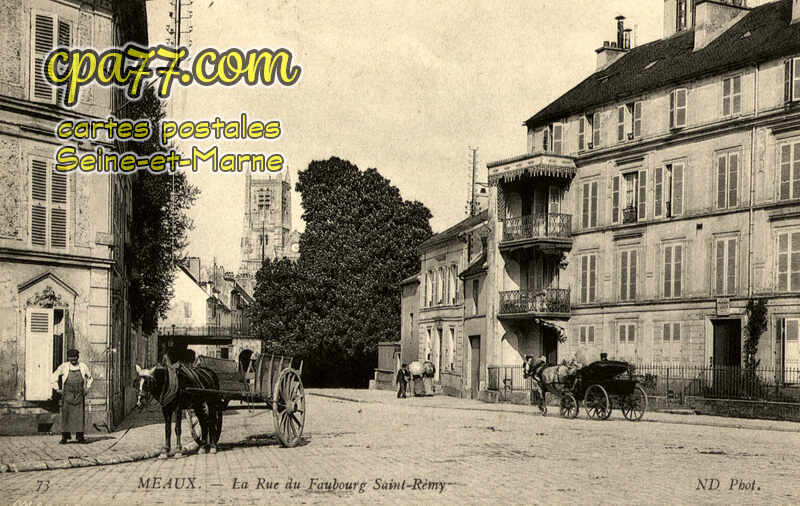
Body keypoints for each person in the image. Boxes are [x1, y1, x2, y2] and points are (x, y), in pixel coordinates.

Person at [51, 349, 93, 444]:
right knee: (66, 415)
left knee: (79, 416)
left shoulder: (83, 366)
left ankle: (80, 436)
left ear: (78, 357)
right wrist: (57, 389)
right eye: (71, 357)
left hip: (79, 394)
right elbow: (54, 376)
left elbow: (90, 378)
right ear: (68, 358)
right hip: (67, 395)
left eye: (75, 357)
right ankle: (65, 437)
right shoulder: (64, 366)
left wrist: (87, 388)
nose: (73, 359)